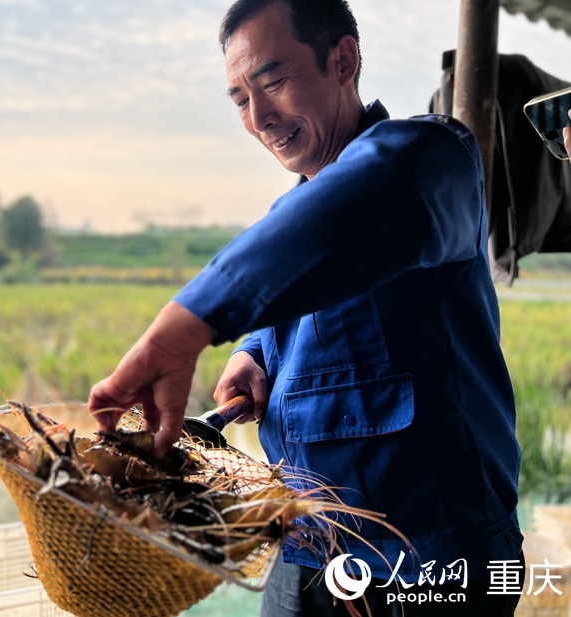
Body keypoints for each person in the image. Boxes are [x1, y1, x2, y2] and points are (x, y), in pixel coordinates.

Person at [88, 0, 523, 615]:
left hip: (432, 550)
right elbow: (297, 289)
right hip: (307, 545)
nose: (260, 116)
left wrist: (179, 333)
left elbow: (346, 221)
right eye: (240, 99)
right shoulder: (285, 216)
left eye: (274, 82)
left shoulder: (432, 160)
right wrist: (253, 350)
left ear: (343, 59)